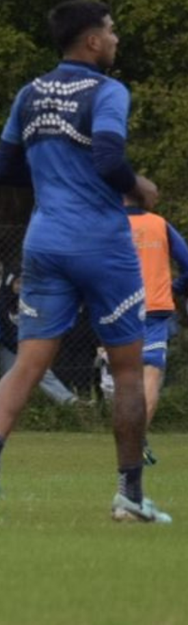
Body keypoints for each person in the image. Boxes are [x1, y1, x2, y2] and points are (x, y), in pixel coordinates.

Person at [0, 0, 169, 523]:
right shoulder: (108, 92)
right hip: (102, 243)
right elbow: (107, 156)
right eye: (112, 30)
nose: (117, 39)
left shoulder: (30, 94)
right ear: (92, 41)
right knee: (128, 371)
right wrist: (139, 186)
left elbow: (3, 167)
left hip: (45, 240)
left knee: (30, 363)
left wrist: (53, 178)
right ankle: (129, 493)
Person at [125, 192, 188, 465]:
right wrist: (174, 288)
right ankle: (137, 440)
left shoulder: (109, 224)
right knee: (150, 375)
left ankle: (130, 440)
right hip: (155, 309)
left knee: (126, 375)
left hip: (120, 308)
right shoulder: (160, 225)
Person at [0, 271, 78, 407]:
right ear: (10, 284)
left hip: (28, 346)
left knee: (42, 372)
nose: (20, 286)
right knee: (9, 377)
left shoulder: (32, 301)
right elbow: (3, 332)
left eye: (23, 283)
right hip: (9, 347)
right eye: (17, 282)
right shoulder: (1, 304)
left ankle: (70, 401)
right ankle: (7, 407)